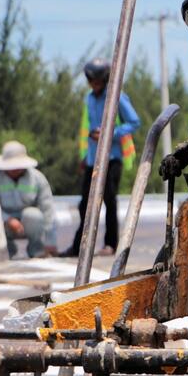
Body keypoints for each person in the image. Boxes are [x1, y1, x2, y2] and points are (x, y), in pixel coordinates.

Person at [67, 59, 138, 256]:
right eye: (92, 81)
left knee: (109, 200)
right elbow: (85, 128)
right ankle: (78, 246)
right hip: (92, 158)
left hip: (112, 157)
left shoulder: (117, 96)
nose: (95, 85)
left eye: (98, 81)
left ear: (105, 79)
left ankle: (111, 244)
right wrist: (84, 156)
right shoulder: (89, 98)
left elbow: (134, 122)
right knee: (85, 204)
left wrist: (109, 132)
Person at [0, 140, 56, 258]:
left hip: (28, 222)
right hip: (3, 222)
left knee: (34, 215)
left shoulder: (37, 178)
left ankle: (37, 251)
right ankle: (6, 250)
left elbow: (48, 209)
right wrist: (8, 219)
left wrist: (51, 242)